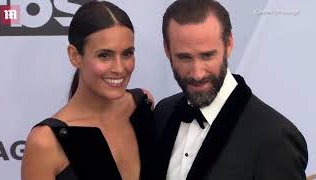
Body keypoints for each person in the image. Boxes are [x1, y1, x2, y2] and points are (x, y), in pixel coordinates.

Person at [152, 0, 308, 179]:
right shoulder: (163, 112)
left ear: (229, 45)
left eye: (207, 55)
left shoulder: (275, 138)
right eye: (184, 57)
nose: (197, 73)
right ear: (167, 50)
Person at [21, 1, 153, 180]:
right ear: (75, 56)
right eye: (104, 55)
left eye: (127, 53)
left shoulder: (142, 103)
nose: (120, 68)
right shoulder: (46, 141)